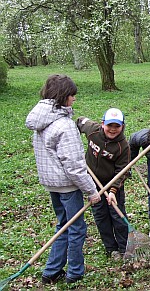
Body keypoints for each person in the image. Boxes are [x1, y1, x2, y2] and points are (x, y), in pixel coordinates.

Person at [25, 74, 101, 285]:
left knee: (63, 225)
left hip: (51, 183)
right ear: (62, 96)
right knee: (76, 229)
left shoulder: (41, 119)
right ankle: (74, 272)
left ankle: (51, 271)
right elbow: (75, 167)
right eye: (71, 95)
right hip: (67, 186)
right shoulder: (64, 125)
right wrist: (91, 191)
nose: (74, 99)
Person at [76, 108, 130, 260]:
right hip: (92, 182)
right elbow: (80, 121)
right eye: (109, 125)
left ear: (122, 127)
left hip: (113, 182)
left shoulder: (123, 146)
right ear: (102, 124)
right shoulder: (93, 131)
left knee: (117, 215)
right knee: (100, 215)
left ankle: (123, 247)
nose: (112, 130)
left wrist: (113, 191)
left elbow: (123, 171)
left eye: (117, 126)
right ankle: (110, 248)